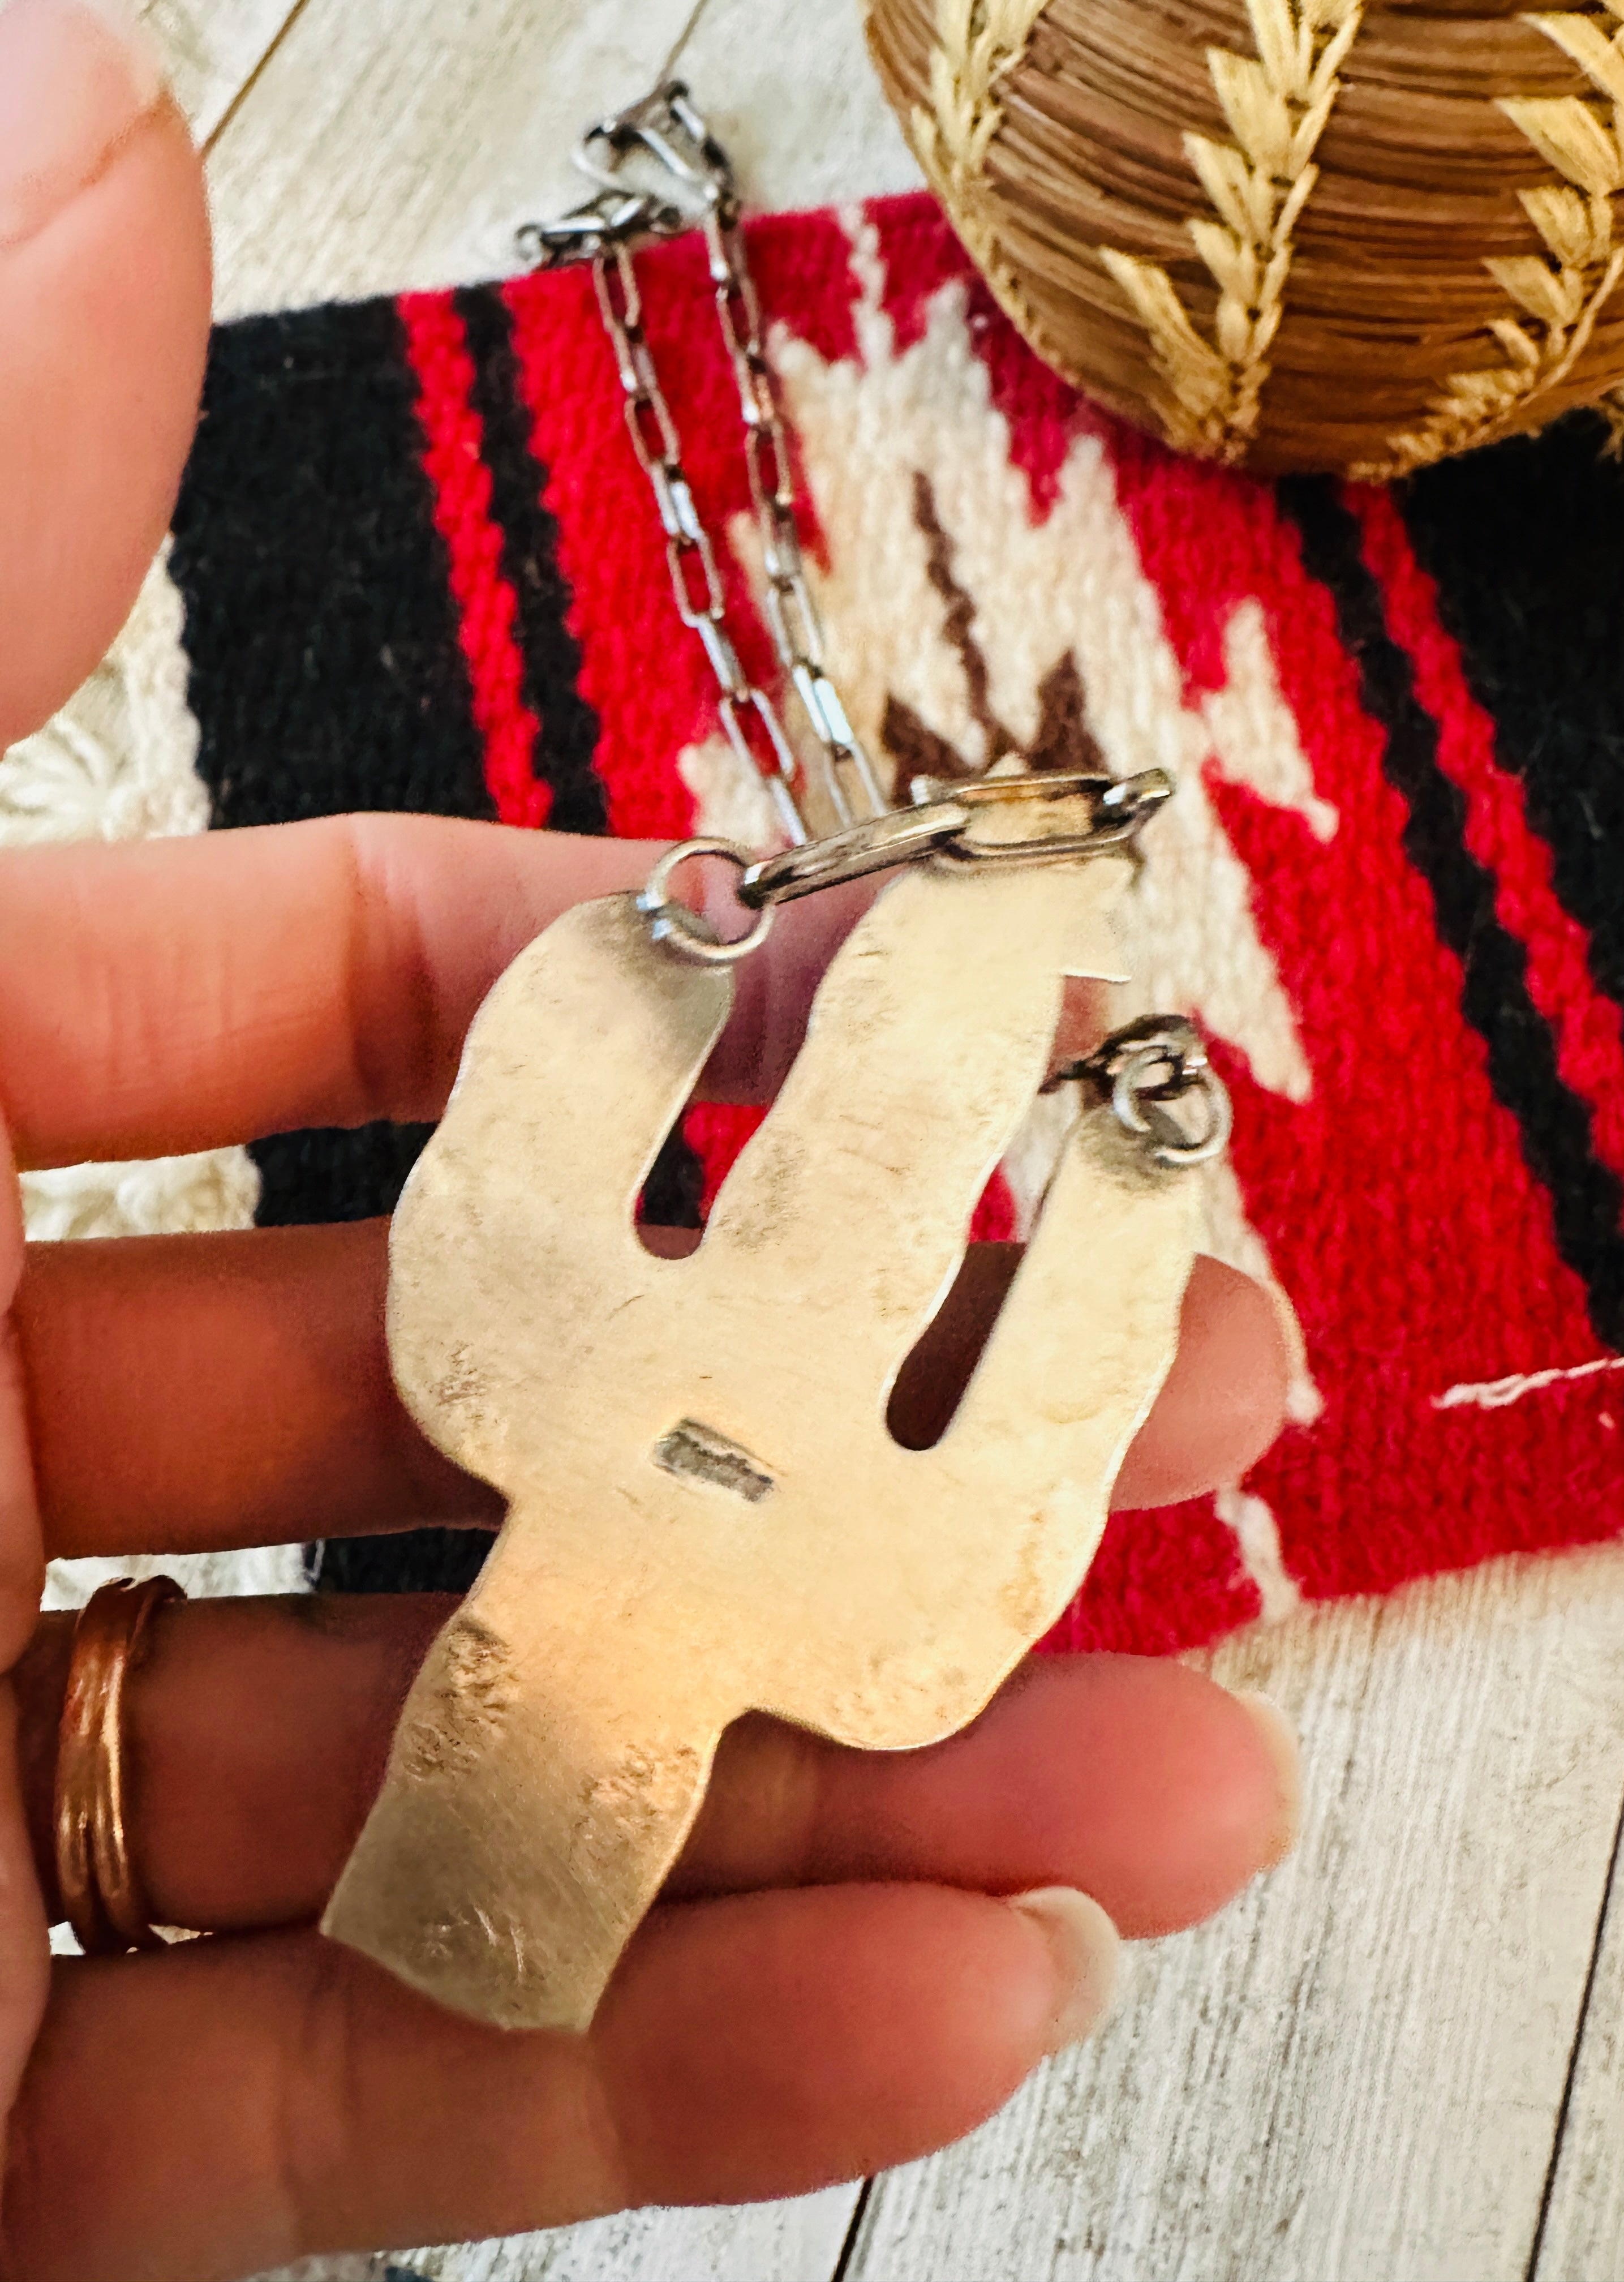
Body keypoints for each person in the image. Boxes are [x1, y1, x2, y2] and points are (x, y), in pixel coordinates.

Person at [0, 3, 1300, 2275]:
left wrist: (684, 989)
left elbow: (554, 1198)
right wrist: (1091, 1181)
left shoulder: (743, 1528)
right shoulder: (814, 1581)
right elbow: (1013, 1397)